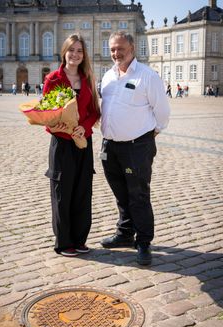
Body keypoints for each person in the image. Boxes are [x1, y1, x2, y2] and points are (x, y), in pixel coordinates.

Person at [100, 31, 170, 265]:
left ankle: (144, 241)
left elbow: (162, 112)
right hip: (110, 147)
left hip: (136, 146)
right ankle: (125, 234)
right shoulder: (108, 75)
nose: (116, 53)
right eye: (112, 49)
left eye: (121, 49)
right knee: (120, 193)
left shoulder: (147, 75)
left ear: (132, 49)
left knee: (138, 195)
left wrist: (151, 135)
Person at [44, 33, 100, 257]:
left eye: (80, 51)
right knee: (62, 193)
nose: (75, 54)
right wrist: (67, 129)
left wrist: (84, 128)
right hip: (62, 144)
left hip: (83, 143)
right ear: (64, 51)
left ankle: (79, 240)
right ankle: (64, 242)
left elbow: (95, 111)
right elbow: (46, 117)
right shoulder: (53, 79)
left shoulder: (87, 79)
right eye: (72, 50)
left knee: (82, 191)